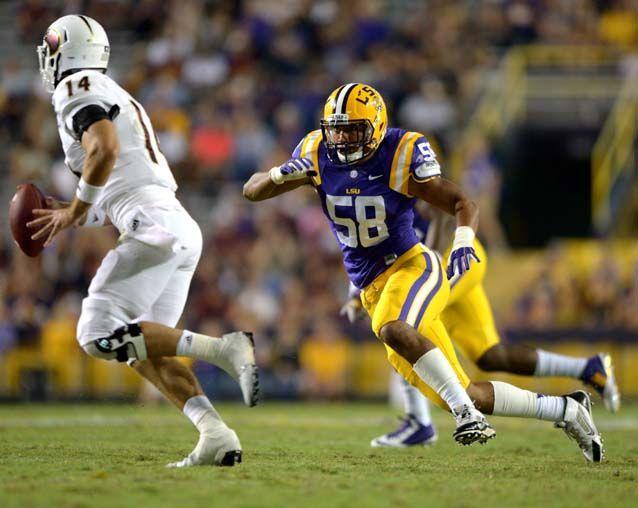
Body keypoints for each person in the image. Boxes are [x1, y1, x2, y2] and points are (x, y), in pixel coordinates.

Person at [243, 83, 604, 462]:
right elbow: (252, 192)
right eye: (337, 129)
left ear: (377, 127)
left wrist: (463, 239)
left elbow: (461, 202)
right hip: (372, 286)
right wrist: (279, 174)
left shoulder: (398, 152)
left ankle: (467, 417)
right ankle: (567, 410)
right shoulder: (317, 152)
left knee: (394, 328)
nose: (343, 138)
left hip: (413, 265)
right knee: (463, 389)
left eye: (353, 129)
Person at [28, 15, 259, 467]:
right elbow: (118, 186)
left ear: (64, 51)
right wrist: (76, 210)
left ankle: (221, 348)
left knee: (96, 333)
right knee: (140, 347)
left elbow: (105, 149)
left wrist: (76, 208)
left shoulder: (73, 87)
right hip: (173, 225)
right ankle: (215, 433)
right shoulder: (116, 92)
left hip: (152, 225)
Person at [339, 204, 619, 448]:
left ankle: (419, 422)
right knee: (489, 355)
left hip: (451, 260)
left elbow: (442, 211)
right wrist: (356, 293)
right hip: (449, 263)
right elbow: (366, 244)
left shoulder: (396, 166)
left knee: (405, 325)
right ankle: (586, 369)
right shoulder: (352, 185)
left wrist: (430, 265)